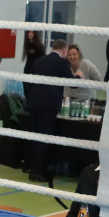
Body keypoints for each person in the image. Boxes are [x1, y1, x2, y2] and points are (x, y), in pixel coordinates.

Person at [26, 39, 75, 182]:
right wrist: (79, 77)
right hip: (48, 105)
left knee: (34, 136)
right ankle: (37, 171)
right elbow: (73, 84)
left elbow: (28, 80)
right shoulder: (62, 62)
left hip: (34, 102)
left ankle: (31, 166)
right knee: (44, 138)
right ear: (64, 51)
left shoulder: (39, 61)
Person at [21, 29, 45, 100]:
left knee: (32, 87)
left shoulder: (39, 46)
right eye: (29, 32)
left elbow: (42, 58)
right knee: (25, 85)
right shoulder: (27, 44)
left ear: (35, 34)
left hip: (36, 69)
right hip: (28, 68)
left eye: (32, 32)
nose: (30, 34)